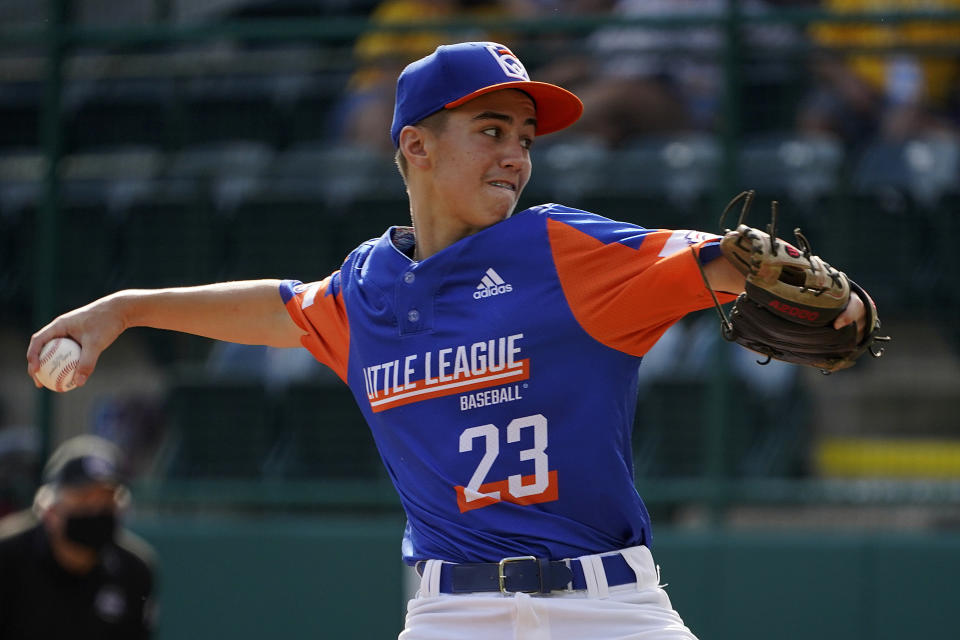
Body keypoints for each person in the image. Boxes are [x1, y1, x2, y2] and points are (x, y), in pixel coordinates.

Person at [26, 41, 868, 639]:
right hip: (452, 614)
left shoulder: (559, 249)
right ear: (416, 147)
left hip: (607, 610)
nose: (515, 157)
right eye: (491, 131)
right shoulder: (366, 290)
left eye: (525, 140)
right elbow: (276, 307)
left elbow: (720, 261)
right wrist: (125, 308)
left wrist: (824, 295)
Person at [0, 435, 156, 639]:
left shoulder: (133, 571)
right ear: (50, 508)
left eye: (106, 498)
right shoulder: (7, 558)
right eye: (84, 498)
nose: (96, 508)